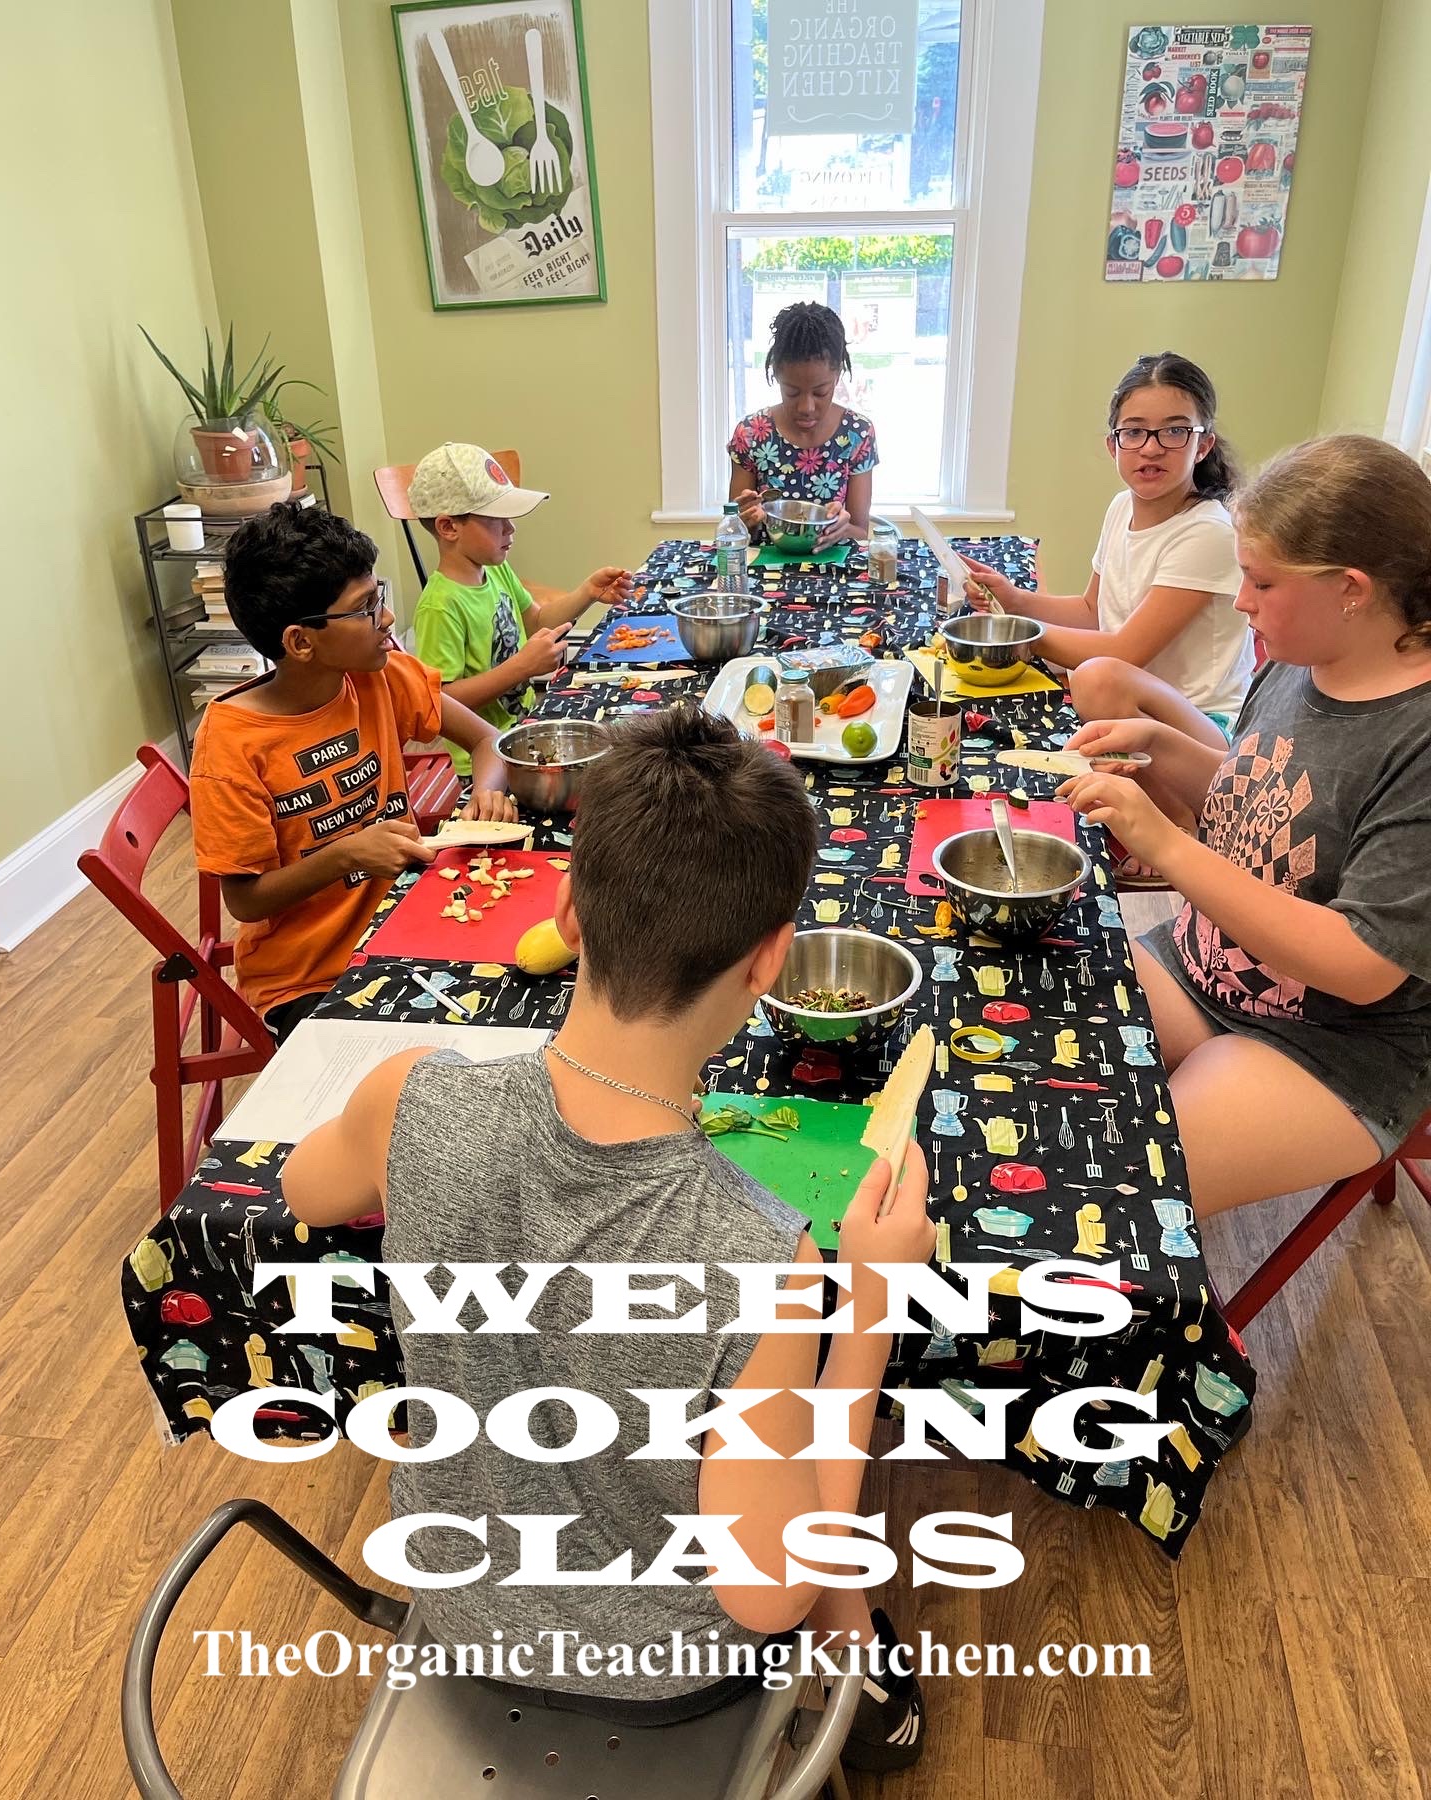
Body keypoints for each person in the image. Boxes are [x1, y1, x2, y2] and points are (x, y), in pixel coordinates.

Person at [282, 706, 936, 1771]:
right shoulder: (764, 1261)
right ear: (771, 963)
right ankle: (859, 1682)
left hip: (455, 1607)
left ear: (568, 911)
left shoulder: (409, 1097)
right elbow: (773, 1592)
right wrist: (870, 1311)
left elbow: (306, 1191)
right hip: (663, 1677)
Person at [1059, 435, 1431, 1218]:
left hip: (1333, 1043)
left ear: (1351, 589)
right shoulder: (1301, 658)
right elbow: (1265, 798)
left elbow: (1363, 965)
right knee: (1028, 1034)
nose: (1241, 601)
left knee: (1120, 1193)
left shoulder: (1417, 737)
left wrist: (1164, 844)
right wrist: (1160, 746)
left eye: (1262, 581)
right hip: (1204, 969)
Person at [190, 502, 515, 1042]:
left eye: (377, 595)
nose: (386, 618)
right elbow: (245, 900)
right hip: (310, 977)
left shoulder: (379, 675)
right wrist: (346, 855)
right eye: (364, 608)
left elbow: (488, 741)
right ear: (301, 641)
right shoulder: (232, 747)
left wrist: (484, 793)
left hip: (409, 917)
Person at [962, 351, 1253, 760]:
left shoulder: (1208, 532)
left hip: (1205, 724)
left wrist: (1018, 633)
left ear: (1203, 445)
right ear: (1113, 445)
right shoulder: (1121, 507)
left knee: (1095, 677)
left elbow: (1125, 652)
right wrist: (1015, 601)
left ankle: (1172, 794)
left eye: (1174, 432)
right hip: (1137, 700)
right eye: (1134, 432)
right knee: (1082, 673)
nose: (1151, 449)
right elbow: (1091, 610)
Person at [409, 444, 634, 771]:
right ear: (449, 527)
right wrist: (521, 667)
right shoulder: (440, 606)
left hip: (525, 732)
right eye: (496, 520)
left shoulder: (496, 570)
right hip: (485, 763)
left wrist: (587, 592)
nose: (511, 528)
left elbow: (537, 621)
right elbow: (441, 702)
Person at [729, 301, 878, 547]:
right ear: (776, 374)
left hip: (833, 567)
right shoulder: (751, 434)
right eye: (792, 392)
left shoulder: (857, 434)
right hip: (764, 567)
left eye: (820, 392)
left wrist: (841, 529)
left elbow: (861, 532)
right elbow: (735, 531)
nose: (806, 407)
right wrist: (743, 520)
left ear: (838, 375)